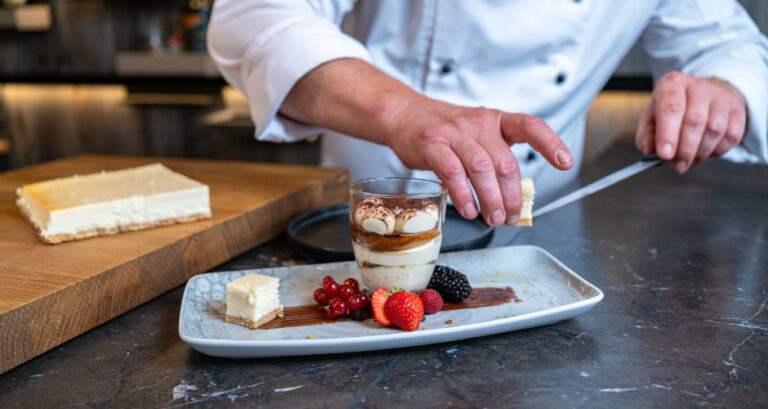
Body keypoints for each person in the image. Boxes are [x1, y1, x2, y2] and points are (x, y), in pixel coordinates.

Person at [207, 1, 768, 226]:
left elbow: (731, 45)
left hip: (545, 227)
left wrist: (724, 88)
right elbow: (254, 17)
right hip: (364, 220)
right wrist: (404, 111)